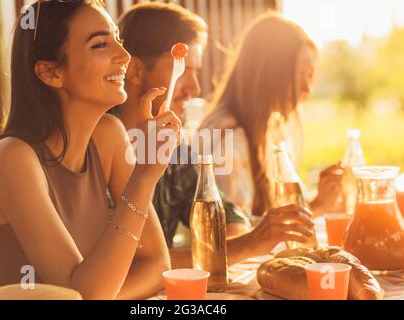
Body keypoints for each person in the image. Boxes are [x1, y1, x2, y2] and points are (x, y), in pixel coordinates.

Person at [0, 0, 179, 300]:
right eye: (100, 45)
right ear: (50, 73)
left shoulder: (108, 136)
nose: (124, 55)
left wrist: (100, 296)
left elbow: (157, 265)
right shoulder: (12, 158)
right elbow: (82, 294)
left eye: (118, 40)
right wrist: (144, 177)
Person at [110, 2, 315, 269]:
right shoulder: (100, 148)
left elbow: (230, 221)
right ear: (136, 71)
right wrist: (249, 244)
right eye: (183, 71)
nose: (194, 88)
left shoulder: (174, 150)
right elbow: (123, 265)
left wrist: (240, 239)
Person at [201, 13, 344, 218]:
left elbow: (268, 216)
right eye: (300, 75)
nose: (308, 88)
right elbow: (236, 237)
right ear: (270, 76)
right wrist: (317, 207)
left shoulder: (271, 128)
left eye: (310, 75)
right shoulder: (231, 143)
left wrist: (319, 199)